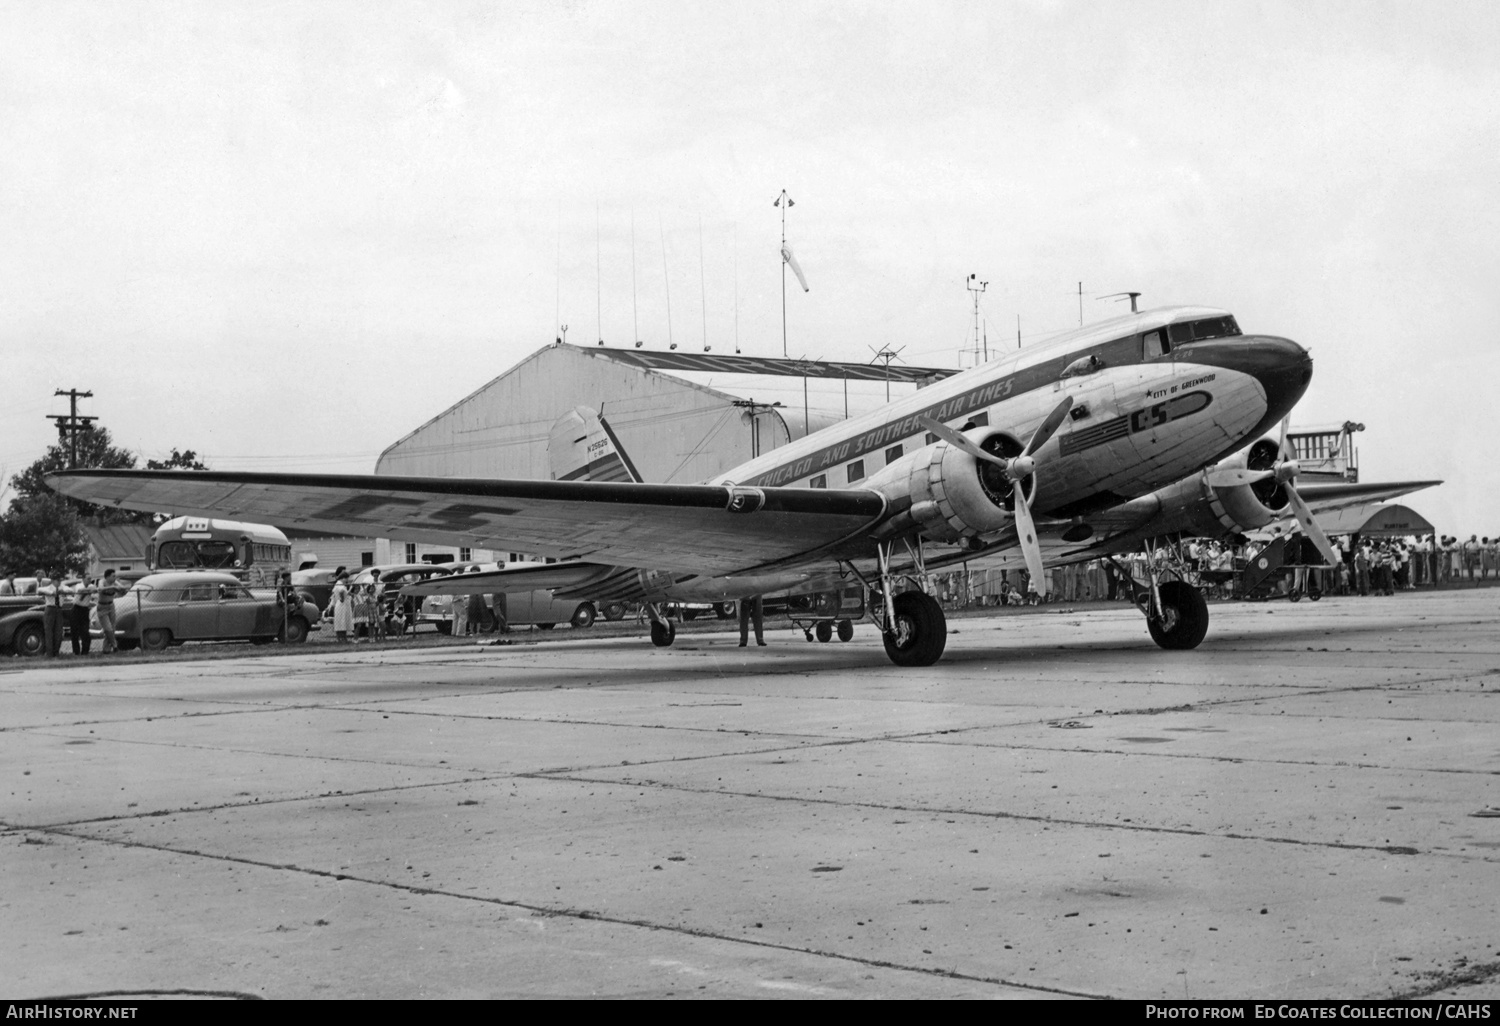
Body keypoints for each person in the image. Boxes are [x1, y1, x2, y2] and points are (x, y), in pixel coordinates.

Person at [37, 569, 63, 657]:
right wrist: (52, 592)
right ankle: (50, 653)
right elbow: (39, 590)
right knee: (49, 632)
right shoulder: (47, 588)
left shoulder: (62, 588)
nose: (59, 582)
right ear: (52, 581)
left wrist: (61, 591)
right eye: (57, 580)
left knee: (58, 632)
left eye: (60, 580)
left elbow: (69, 590)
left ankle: (56, 652)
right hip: (50, 609)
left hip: (59, 609)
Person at [95, 569, 122, 653]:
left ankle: (106, 649)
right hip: (102, 607)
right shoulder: (102, 581)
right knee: (108, 628)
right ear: (107, 577)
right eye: (113, 576)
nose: (115, 578)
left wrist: (116, 587)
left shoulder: (115, 582)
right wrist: (113, 587)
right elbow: (101, 588)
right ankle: (114, 645)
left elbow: (121, 587)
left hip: (111, 606)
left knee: (112, 628)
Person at [69, 575, 94, 655]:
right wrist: (88, 590)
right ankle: (76, 651)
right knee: (74, 632)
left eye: (90, 578)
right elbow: (80, 590)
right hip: (76, 608)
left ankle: (85, 651)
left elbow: (95, 589)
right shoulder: (78, 585)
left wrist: (87, 590)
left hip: (85, 610)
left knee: (85, 631)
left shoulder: (91, 586)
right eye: (88, 578)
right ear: (83, 579)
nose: (90, 580)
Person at [328, 571, 354, 642]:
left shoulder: (339, 584)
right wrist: (342, 598)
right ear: (343, 578)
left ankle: (342, 638)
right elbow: (341, 591)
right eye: (346, 578)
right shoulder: (340, 584)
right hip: (341, 604)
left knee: (343, 621)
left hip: (342, 604)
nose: (347, 580)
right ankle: (341, 638)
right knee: (341, 622)